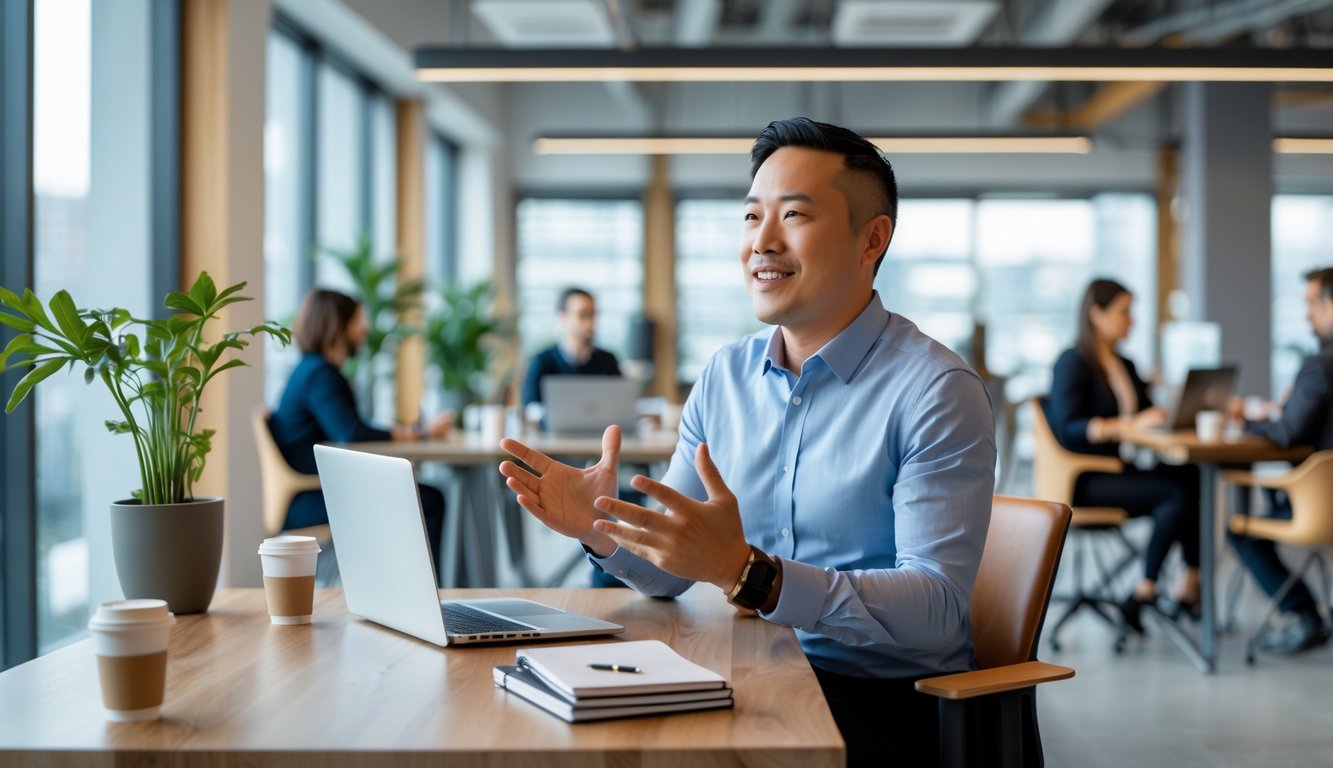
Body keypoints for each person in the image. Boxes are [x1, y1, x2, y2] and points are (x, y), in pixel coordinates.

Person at [498, 117, 995, 767]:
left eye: (792, 215)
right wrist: (602, 527)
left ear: (871, 239)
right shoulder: (724, 377)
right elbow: (672, 571)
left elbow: (935, 611)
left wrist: (750, 576)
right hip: (747, 667)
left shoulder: (935, 390)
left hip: (877, 698)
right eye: (750, 216)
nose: (761, 241)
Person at [1047, 278, 1202, 634]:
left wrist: (1172, 406)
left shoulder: (1125, 365)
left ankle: (1191, 580)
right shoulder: (1072, 363)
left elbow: (1150, 415)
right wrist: (1126, 425)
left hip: (1120, 470)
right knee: (1174, 494)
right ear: (1095, 314)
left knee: (1192, 476)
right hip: (1086, 478)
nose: (1131, 320)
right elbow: (1070, 428)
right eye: (1123, 312)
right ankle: (1145, 588)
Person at [270, 289, 452, 568]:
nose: (365, 327)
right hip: (305, 501)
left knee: (421, 494)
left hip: (311, 493)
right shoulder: (320, 374)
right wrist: (417, 432)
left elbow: (351, 431)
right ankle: (437, 592)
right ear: (337, 326)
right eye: (358, 321)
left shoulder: (310, 369)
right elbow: (352, 433)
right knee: (429, 499)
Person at [1224, 267, 1333, 654]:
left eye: (1312, 305)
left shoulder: (1319, 367)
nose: (1308, 316)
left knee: (1239, 532)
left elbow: (1288, 433)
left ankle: (1303, 613)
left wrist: (1250, 421)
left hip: (1321, 507)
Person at [519, 287, 621, 407]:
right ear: (562, 318)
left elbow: (621, 404)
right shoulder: (541, 361)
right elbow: (531, 407)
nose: (590, 322)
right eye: (583, 315)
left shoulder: (608, 361)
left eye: (593, 315)